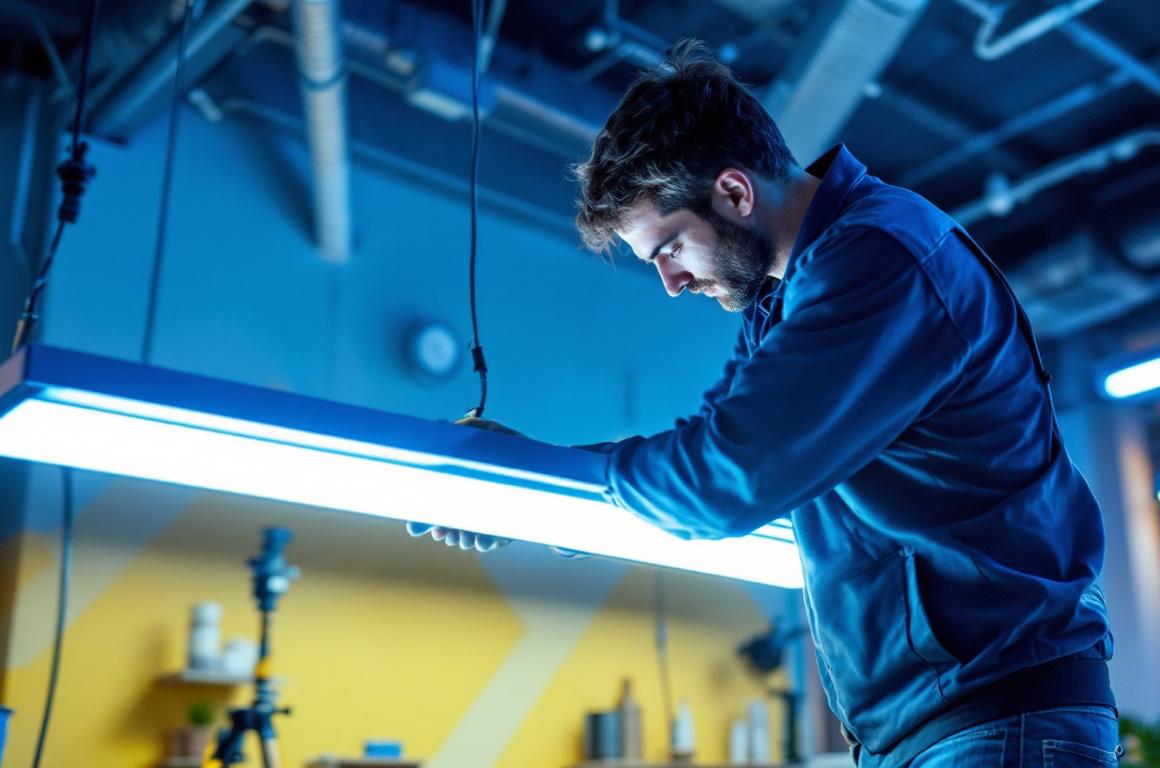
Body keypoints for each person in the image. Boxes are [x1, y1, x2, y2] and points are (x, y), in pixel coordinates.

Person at [410, 40, 1118, 767]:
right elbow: (717, 452)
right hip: (940, 723)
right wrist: (528, 483)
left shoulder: (883, 260)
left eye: (670, 248)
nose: (672, 284)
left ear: (734, 193)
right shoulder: (784, 300)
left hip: (998, 713)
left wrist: (536, 481)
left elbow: (729, 476)